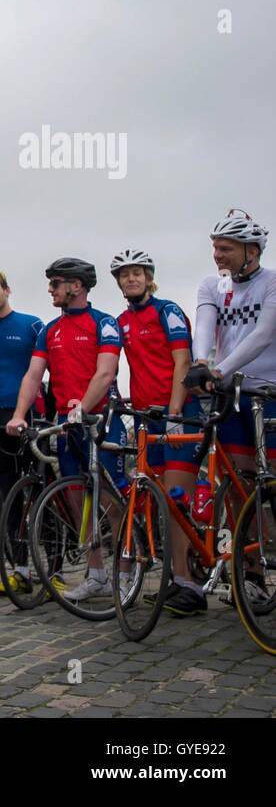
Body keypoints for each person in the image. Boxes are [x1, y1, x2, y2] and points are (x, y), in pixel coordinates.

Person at [7, 258, 125, 605]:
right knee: (75, 497)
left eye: (56, 283)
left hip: (100, 419)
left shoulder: (104, 323)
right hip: (65, 421)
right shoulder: (50, 330)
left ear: (76, 286)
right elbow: (33, 375)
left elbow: (105, 374)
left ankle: (125, 569)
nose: (50, 290)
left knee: (111, 500)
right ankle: (97, 573)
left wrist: (81, 408)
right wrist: (18, 415)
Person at [186, 210, 276, 608]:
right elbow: (205, 325)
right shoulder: (212, 285)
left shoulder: (272, 283)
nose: (217, 255)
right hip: (234, 397)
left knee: (269, 482)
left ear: (251, 251)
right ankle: (252, 570)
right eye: (215, 248)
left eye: (225, 249)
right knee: (241, 486)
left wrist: (220, 368)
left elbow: (262, 334)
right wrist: (202, 362)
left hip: (268, 392)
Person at [111, 250, 204, 616]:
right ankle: (179, 578)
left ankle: (189, 584)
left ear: (149, 278)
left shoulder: (167, 311)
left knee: (177, 501)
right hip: (146, 417)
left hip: (177, 412)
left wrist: (177, 409)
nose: (131, 279)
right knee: (160, 501)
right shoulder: (121, 321)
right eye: (125, 275)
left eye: (137, 273)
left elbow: (182, 359)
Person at [0, 268, 51, 597]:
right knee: (11, 496)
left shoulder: (32, 324)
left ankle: (53, 572)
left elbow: (48, 369)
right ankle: (20, 571)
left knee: (42, 493)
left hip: (31, 416)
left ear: (7, 290)